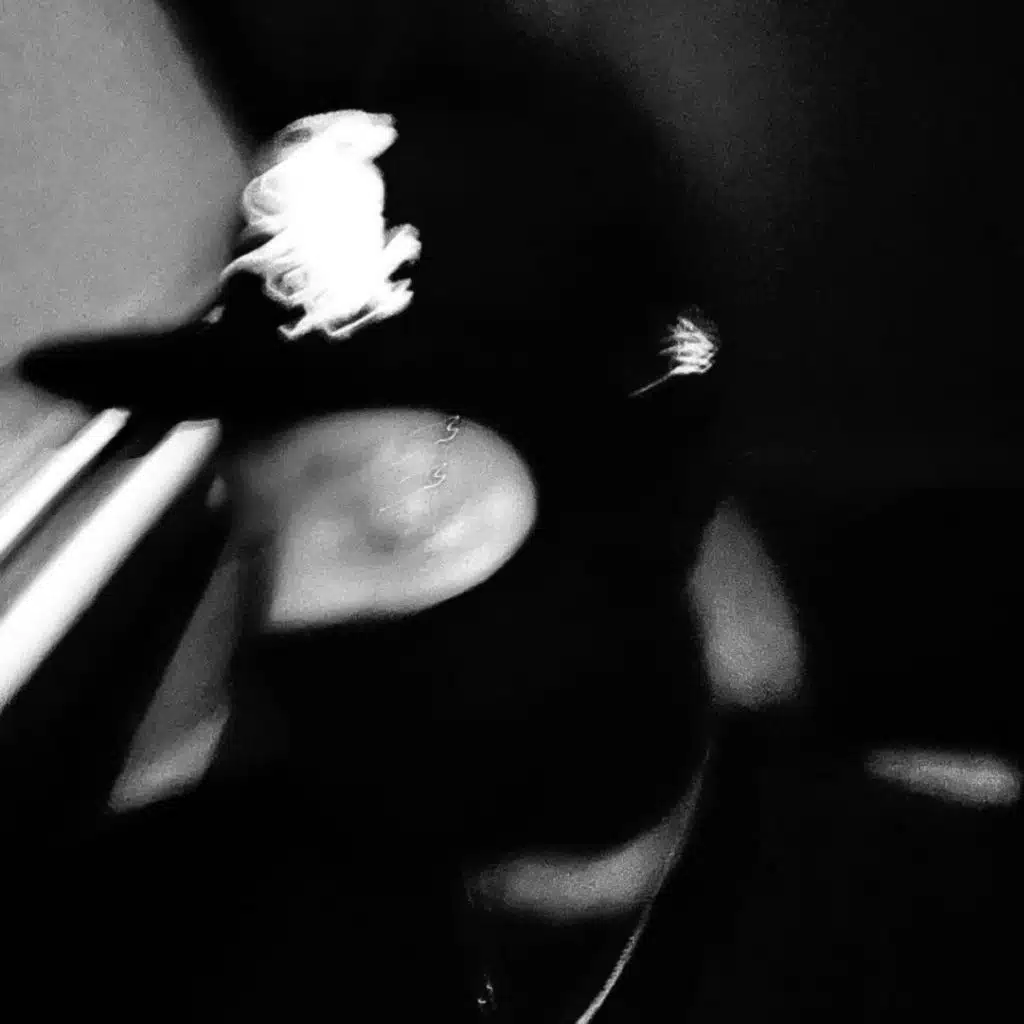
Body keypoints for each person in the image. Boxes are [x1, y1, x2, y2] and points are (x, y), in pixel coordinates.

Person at [5, 4, 1015, 1021]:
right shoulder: (145, 934)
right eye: (257, 540)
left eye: (391, 518)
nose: (288, 607)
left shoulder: (946, 933)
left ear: (624, 507)